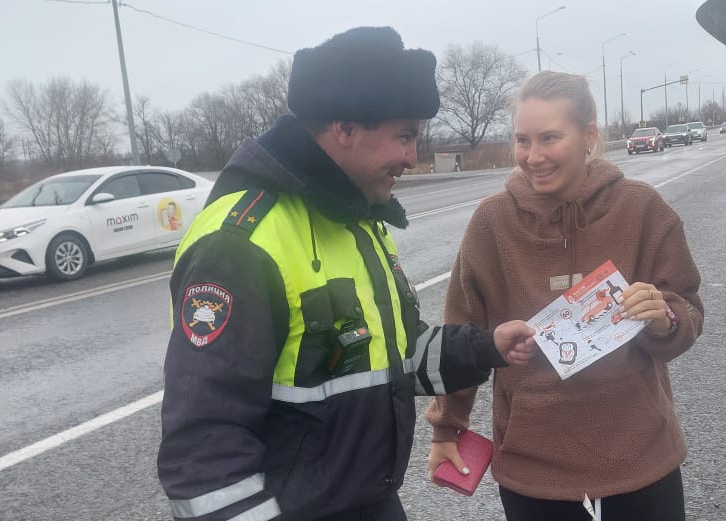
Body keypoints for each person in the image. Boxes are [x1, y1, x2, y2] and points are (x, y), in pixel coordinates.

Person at [157, 27, 537, 521]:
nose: (411, 158)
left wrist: (488, 347)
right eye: (404, 136)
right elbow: (204, 453)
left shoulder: (355, 218)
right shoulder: (240, 244)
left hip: (371, 501)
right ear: (345, 129)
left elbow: (389, 352)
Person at [424, 71, 705, 521]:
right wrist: (446, 428)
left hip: (642, 461)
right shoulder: (491, 223)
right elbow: (462, 334)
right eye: (522, 140)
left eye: (549, 138)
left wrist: (664, 318)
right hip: (535, 472)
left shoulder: (642, 209)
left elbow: (687, 308)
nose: (532, 157)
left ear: (588, 135)